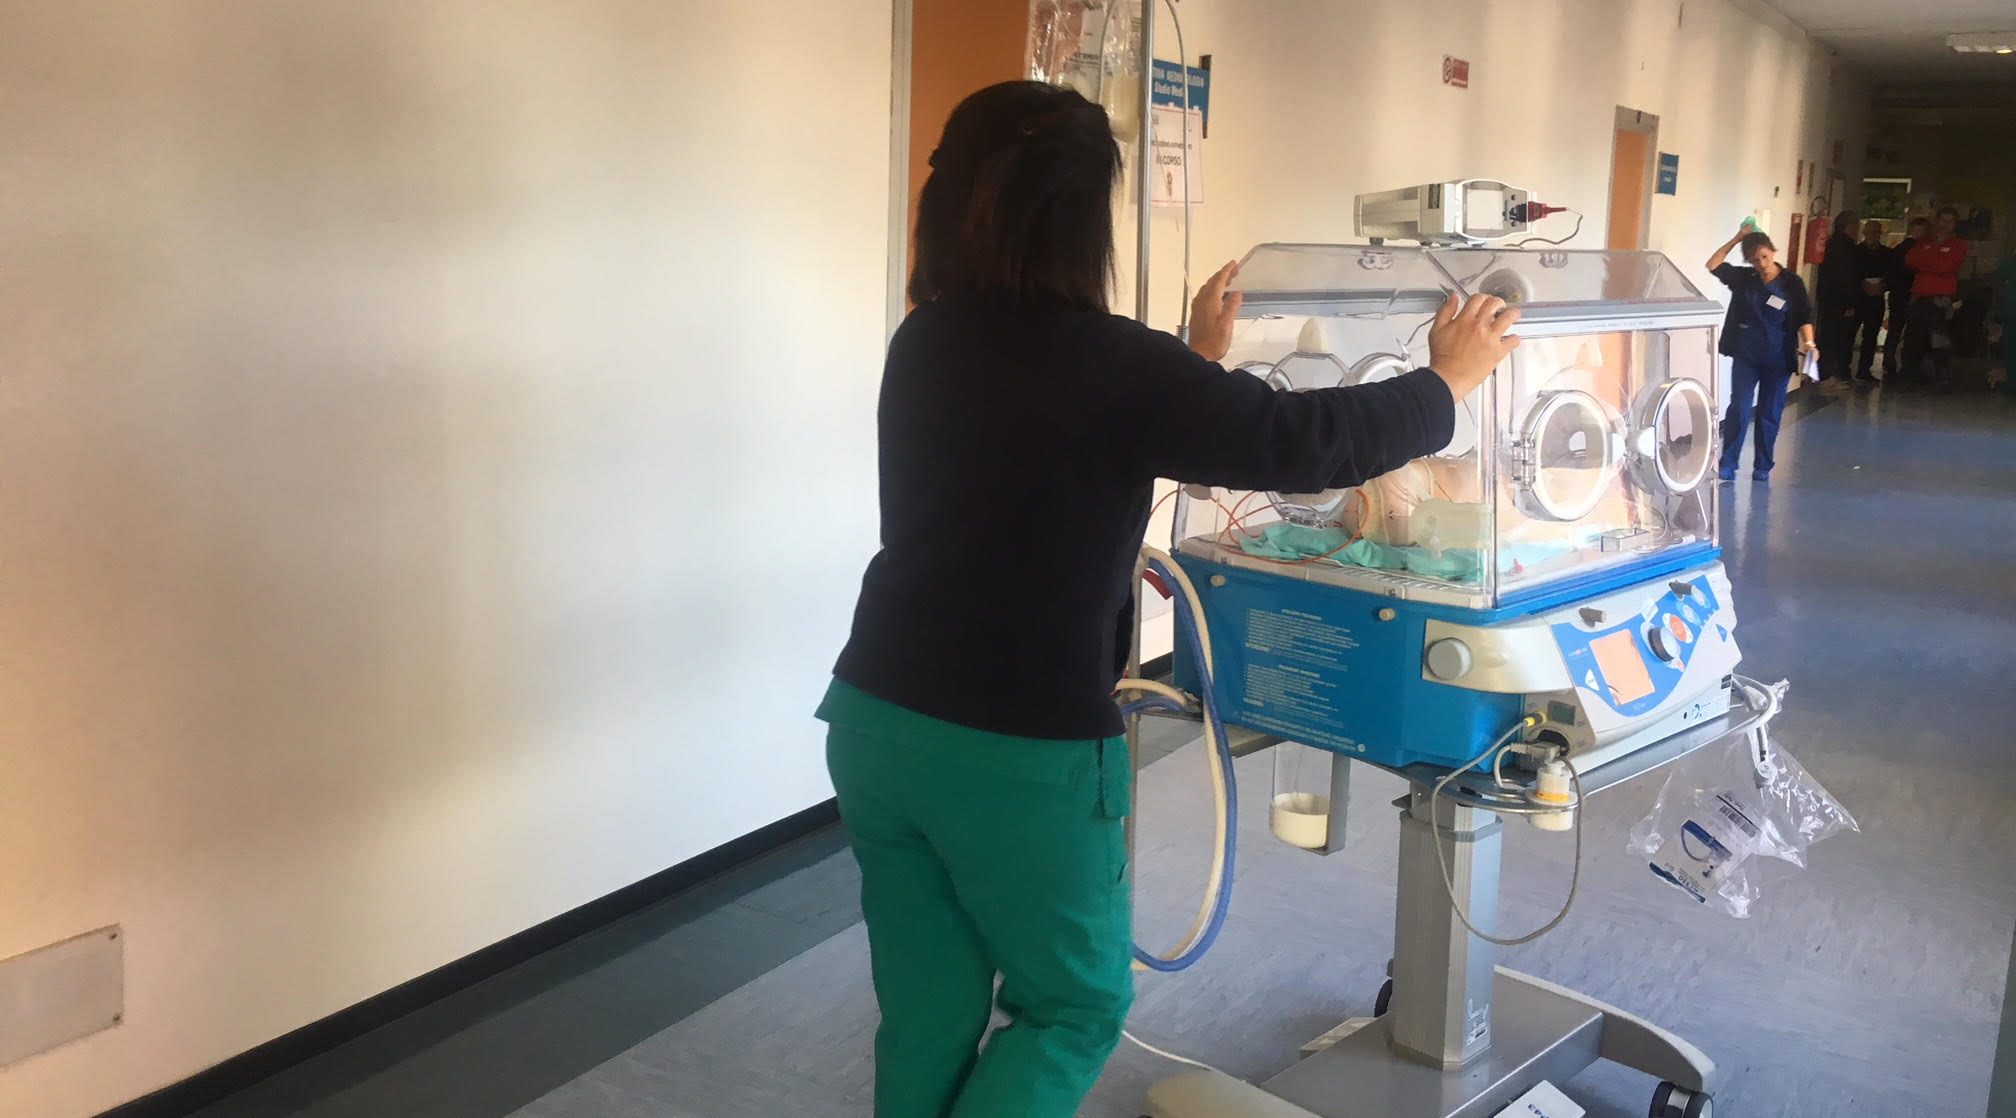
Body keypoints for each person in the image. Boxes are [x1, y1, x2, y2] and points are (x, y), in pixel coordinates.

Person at [816, 80, 1518, 1118]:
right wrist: (1444, 383)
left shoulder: (928, 339)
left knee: (929, 1005)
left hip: (879, 721)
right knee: (1074, 1008)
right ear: (1083, 222)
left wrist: (1193, 362)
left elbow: (1062, 430)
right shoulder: (1112, 364)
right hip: (1020, 752)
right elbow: (1296, 443)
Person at [1707, 227, 1816, 482]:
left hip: (1778, 358)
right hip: (1746, 355)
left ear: (1773, 252)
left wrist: (1810, 343)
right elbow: (1713, 264)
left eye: (1765, 257)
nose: (1762, 264)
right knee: (1739, 408)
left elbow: (1803, 316)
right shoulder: (1745, 279)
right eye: (1755, 260)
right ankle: (1728, 463)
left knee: (1769, 413)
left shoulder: (1791, 283)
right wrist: (1737, 238)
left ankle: (1763, 466)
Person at [1899, 206, 1970, 390]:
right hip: (1919, 298)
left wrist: (1926, 263)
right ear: (1937, 221)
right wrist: (1934, 261)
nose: (1946, 224)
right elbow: (1910, 260)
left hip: (1940, 300)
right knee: (1913, 339)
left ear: (1955, 224)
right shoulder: (1924, 241)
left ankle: (1942, 378)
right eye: (1943, 220)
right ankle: (1909, 377)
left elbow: (1945, 267)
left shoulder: (1959, 245)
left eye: (1950, 221)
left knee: (1939, 341)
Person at [1814, 210, 1860, 388]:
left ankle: (1826, 374)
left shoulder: (1832, 243)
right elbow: (1845, 276)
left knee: (1829, 336)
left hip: (1829, 297)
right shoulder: (1845, 247)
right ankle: (1827, 375)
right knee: (1835, 338)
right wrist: (1849, 302)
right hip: (1839, 300)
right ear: (1848, 226)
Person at [1884, 216, 1930, 375]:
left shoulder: (1898, 249)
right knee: (1914, 331)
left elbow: (1891, 274)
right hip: (1915, 294)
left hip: (1897, 294)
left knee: (1895, 329)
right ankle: (1909, 364)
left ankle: (1889, 361)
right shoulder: (1922, 251)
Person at [1848, 219, 1889, 384]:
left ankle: (1864, 370)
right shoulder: (1855, 252)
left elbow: (1891, 273)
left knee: (1871, 335)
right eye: (1870, 232)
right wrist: (1863, 285)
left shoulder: (1886, 253)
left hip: (1876, 298)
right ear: (1864, 233)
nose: (1873, 235)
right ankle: (1844, 368)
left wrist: (1882, 285)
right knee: (1850, 333)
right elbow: (1851, 274)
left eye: (1876, 232)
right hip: (1858, 298)